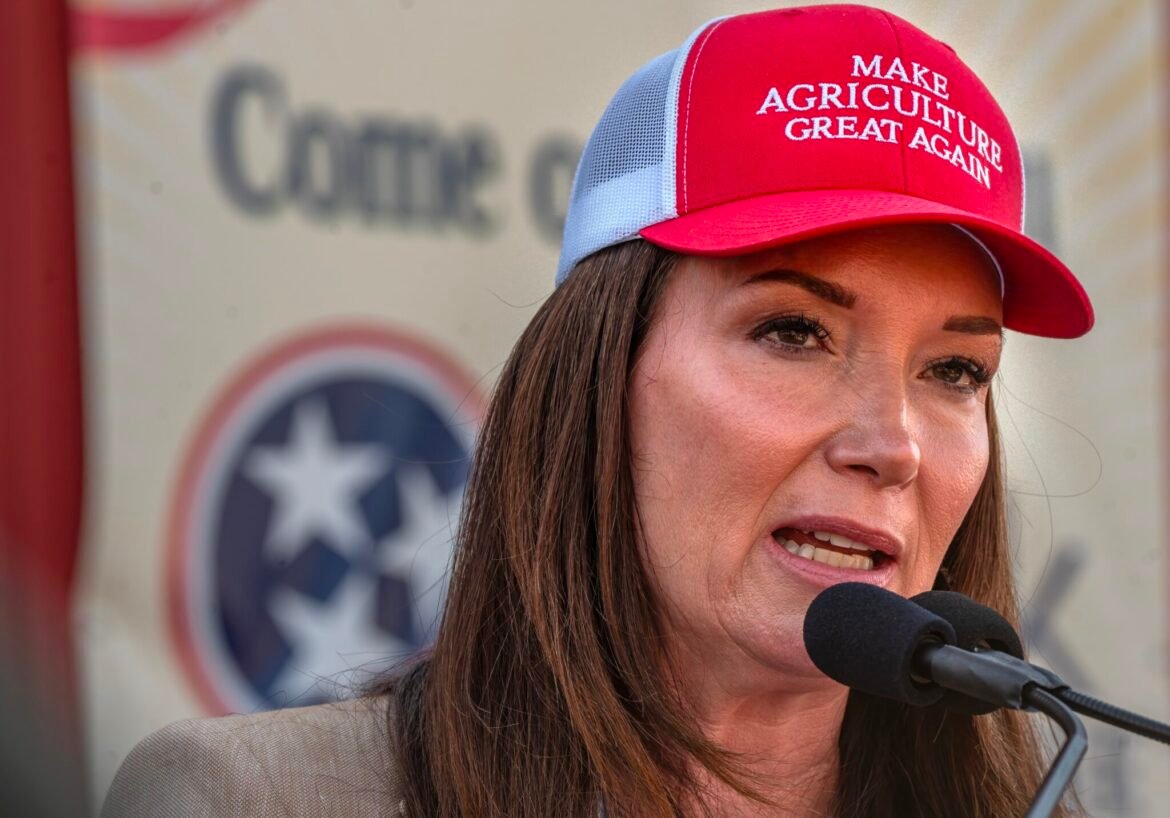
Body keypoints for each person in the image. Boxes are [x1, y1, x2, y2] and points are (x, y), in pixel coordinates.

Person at [102, 4, 1094, 817]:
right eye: (794, 331)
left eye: (956, 371)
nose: (894, 445)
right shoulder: (247, 798)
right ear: (593, 378)